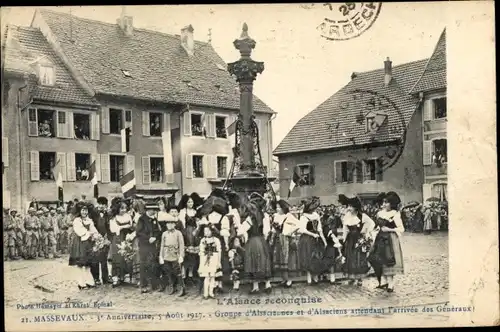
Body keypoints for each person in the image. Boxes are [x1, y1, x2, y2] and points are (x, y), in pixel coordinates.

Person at [369, 191, 405, 293]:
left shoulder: (395, 214)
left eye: (387, 202)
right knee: (377, 258)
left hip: (391, 239)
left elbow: (401, 229)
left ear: (392, 204)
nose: (384, 204)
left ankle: (390, 284)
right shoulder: (379, 213)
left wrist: (389, 230)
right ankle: (383, 281)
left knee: (389, 259)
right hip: (380, 238)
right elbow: (376, 226)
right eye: (383, 202)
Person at [237, 193, 273, 294]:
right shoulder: (264, 216)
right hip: (262, 240)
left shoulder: (250, 218)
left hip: (253, 241)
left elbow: (240, 231)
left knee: (253, 262)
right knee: (264, 261)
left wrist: (241, 232)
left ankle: (256, 287)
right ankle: (267, 284)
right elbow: (267, 231)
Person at [340, 195, 375, 286]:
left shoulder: (362, 216)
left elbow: (371, 223)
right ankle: (352, 277)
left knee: (359, 257)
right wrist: (344, 240)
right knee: (350, 257)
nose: (349, 208)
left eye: (351, 206)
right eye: (348, 206)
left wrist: (365, 231)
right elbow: (345, 229)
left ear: (356, 207)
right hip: (350, 239)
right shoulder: (347, 216)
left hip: (359, 239)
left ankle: (359, 278)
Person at [270, 199, 301, 288]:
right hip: (278, 240)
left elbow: (298, 224)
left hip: (285, 240)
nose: (277, 209)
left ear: (283, 208)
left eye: (279, 207)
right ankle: (284, 279)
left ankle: (289, 280)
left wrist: (290, 232)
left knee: (286, 259)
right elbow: (274, 229)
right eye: (276, 207)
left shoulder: (289, 216)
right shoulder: (276, 216)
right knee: (279, 259)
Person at [297, 196, 327, 285]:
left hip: (316, 239)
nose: (314, 209)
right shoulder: (303, 217)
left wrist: (324, 240)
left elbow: (319, 229)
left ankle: (315, 276)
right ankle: (309, 277)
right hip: (307, 239)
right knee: (308, 257)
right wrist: (313, 234)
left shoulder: (316, 215)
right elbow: (302, 229)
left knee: (316, 258)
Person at [68, 202, 98, 290]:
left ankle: (89, 281)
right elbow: (80, 232)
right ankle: (81, 283)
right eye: (83, 210)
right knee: (80, 263)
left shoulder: (89, 220)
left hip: (88, 243)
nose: (84, 212)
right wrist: (90, 234)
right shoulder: (77, 220)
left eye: (86, 210)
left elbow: (93, 229)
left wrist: (96, 235)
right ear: (79, 211)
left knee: (88, 263)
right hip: (80, 243)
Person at [136, 203, 162, 293]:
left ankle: (154, 285)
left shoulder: (154, 219)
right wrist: (148, 239)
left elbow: (158, 231)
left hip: (152, 245)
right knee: (143, 265)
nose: (154, 212)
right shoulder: (141, 219)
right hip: (144, 245)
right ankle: (143, 285)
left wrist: (155, 237)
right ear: (148, 210)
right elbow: (138, 233)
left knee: (153, 264)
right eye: (153, 210)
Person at [108, 198, 134, 287]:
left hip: (127, 237)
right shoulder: (114, 218)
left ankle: (124, 276)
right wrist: (123, 227)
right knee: (117, 257)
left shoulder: (128, 216)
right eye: (122, 208)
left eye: (125, 208)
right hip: (118, 238)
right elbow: (113, 229)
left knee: (127, 256)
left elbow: (131, 225)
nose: (124, 210)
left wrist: (127, 228)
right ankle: (116, 278)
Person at [159, 216, 186, 297]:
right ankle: (172, 285)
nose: (169, 225)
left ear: (174, 224)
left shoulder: (178, 233)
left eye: (171, 223)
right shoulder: (164, 233)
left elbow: (181, 245)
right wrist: (161, 256)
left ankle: (181, 287)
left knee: (177, 271)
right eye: (168, 223)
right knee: (168, 271)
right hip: (166, 254)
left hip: (175, 254)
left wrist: (181, 255)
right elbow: (162, 245)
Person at [90, 197, 112, 285]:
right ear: (98, 204)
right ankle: (96, 278)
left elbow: (109, 226)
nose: (102, 206)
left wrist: (108, 236)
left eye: (104, 205)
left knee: (104, 259)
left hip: (105, 237)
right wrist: (95, 236)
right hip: (95, 238)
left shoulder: (107, 214)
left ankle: (105, 278)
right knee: (95, 259)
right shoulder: (93, 212)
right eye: (100, 204)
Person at [198, 224, 221, 299]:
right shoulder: (203, 240)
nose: (206, 232)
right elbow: (201, 252)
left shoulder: (216, 240)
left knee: (213, 276)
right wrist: (201, 263)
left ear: (212, 231)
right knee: (207, 277)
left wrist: (219, 262)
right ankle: (205, 293)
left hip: (214, 259)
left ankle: (211, 292)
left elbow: (219, 251)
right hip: (205, 260)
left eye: (208, 231)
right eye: (205, 231)